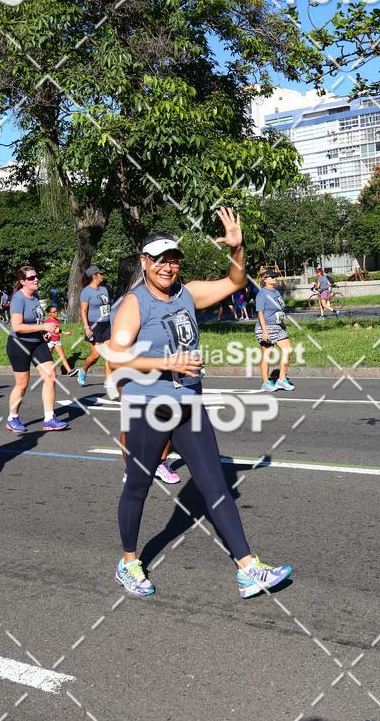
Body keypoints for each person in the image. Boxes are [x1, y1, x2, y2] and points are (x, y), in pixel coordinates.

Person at [109, 210, 292, 599]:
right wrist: (166, 362)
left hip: (189, 401)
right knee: (138, 485)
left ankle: (247, 568)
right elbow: (118, 356)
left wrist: (238, 248)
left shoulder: (188, 292)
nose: (167, 266)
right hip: (148, 406)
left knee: (215, 484)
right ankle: (128, 563)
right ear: (145, 262)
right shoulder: (133, 303)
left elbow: (235, 281)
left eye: (173, 258)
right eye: (159, 259)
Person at [110, 254, 181, 486]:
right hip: (131, 372)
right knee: (132, 424)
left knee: (168, 419)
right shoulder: (126, 304)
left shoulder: (161, 298)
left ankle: (159, 462)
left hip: (164, 370)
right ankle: (131, 467)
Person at [5, 265, 67, 433]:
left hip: (37, 342)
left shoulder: (35, 295)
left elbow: (35, 322)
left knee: (50, 376)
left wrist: (43, 331)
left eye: (36, 276)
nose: (36, 279)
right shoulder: (19, 298)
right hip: (20, 344)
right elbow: (17, 326)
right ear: (23, 282)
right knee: (22, 383)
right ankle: (12, 418)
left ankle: (49, 419)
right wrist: (42, 327)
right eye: (31, 278)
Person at [255, 269, 295, 392]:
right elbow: (260, 313)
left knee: (288, 350)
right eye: (271, 277)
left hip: (279, 326)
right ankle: (266, 382)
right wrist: (264, 331)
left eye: (275, 276)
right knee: (267, 355)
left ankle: (281, 380)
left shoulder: (276, 292)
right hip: (266, 327)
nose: (274, 278)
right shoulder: (262, 293)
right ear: (264, 279)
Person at [78, 265, 113, 387]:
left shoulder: (104, 289)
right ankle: (83, 370)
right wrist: (86, 327)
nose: (102, 275)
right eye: (100, 273)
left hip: (106, 324)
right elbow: (83, 311)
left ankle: (108, 380)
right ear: (94, 276)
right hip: (94, 325)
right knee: (96, 356)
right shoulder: (86, 291)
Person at [44, 305, 79, 377]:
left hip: (57, 341)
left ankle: (69, 371)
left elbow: (57, 330)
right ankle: (45, 371)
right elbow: (43, 330)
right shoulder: (47, 321)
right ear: (49, 313)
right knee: (47, 357)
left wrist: (65, 333)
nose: (56, 313)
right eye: (54, 312)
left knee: (62, 356)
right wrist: (45, 335)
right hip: (50, 341)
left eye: (56, 311)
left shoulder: (57, 321)